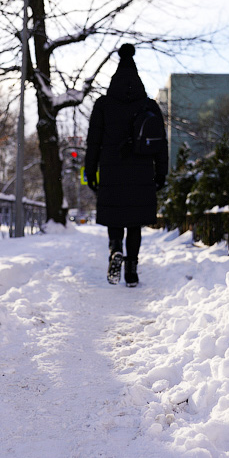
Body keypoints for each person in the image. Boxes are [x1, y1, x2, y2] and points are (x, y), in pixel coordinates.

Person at [84, 43, 168, 287]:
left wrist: (90, 172)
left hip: (111, 170)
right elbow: (161, 144)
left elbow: (94, 142)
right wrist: (161, 173)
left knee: (116, 217)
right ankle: (131, 269)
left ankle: (114, 250)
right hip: (141, 172)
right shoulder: (149, 106)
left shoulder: (103, 105)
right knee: (134, 222)